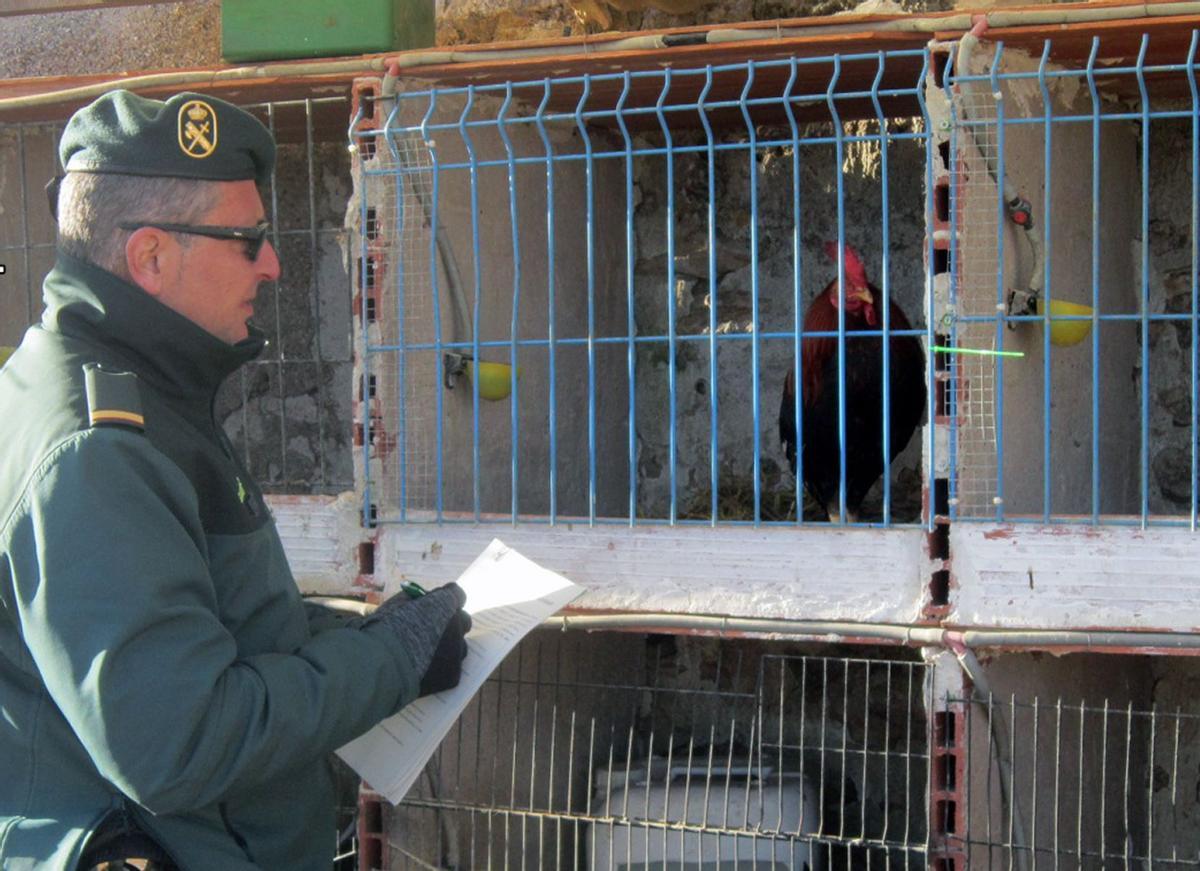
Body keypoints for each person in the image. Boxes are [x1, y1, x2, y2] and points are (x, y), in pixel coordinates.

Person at [0, 90, 471, 871]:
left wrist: (367, 636)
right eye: (247, 240)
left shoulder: (121, 389)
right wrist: (388, 664)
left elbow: (198, 620)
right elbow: (179, 739)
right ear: (150, 256)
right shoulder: (95, 448)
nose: (273, 263)